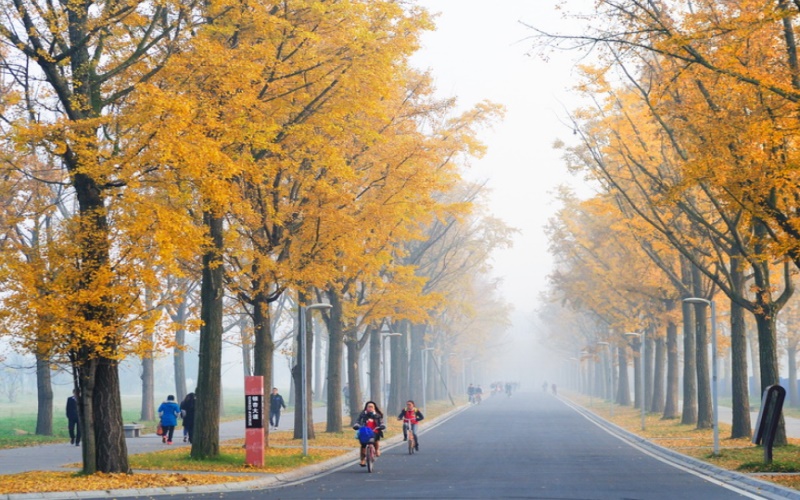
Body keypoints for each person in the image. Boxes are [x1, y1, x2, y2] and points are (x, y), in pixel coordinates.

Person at [353, 400, 385, 467]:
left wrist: (381, 426)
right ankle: (362, 459)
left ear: (374, 408)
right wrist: (356, 425)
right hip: (365, 432)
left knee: (375, 439)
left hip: (374, 431)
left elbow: (381, 422)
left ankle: (377, 449)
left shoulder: (377, 415)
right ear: (366, 407)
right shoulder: (363, 414)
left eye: (371, 407)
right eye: (369, 407)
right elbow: (358, 421)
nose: (370, 408)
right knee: (363, 445)